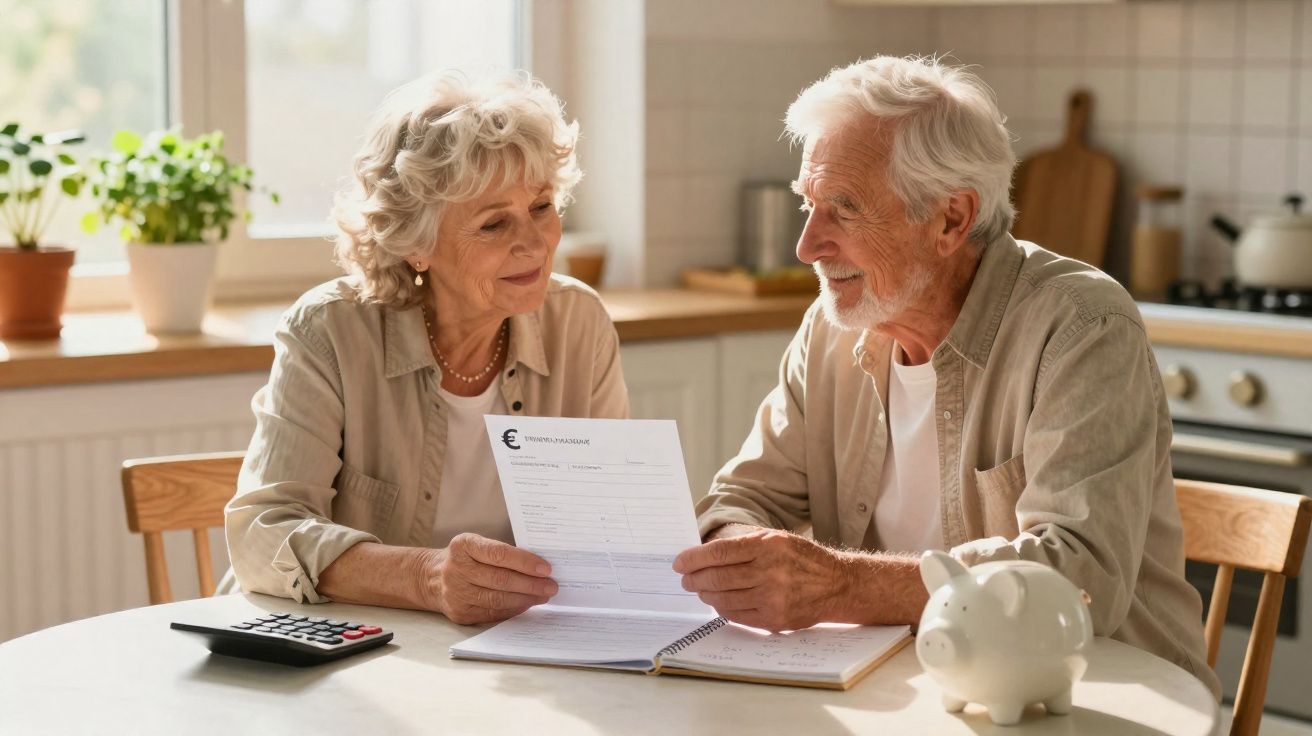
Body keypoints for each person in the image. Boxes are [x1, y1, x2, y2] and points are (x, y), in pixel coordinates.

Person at [673, 56, 1220, 697]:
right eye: (808, 204)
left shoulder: (1081, 327)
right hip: (918, 691)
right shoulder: (831, 327)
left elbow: (1079, 575)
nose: (807, 245)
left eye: (842, 210)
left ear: (951, 220)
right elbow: (739, 499)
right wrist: (744, 555)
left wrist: (840, 585)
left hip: (1099, 696)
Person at [223, 69, 629, 625]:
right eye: (493, 224)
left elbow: (610, 521)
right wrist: (427, 577)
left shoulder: (579, 322)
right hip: (344, 653)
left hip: (507, 653)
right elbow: (263, 532)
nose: (534, 243)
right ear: (417, 243)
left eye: (541, 207)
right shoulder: (330, 331)